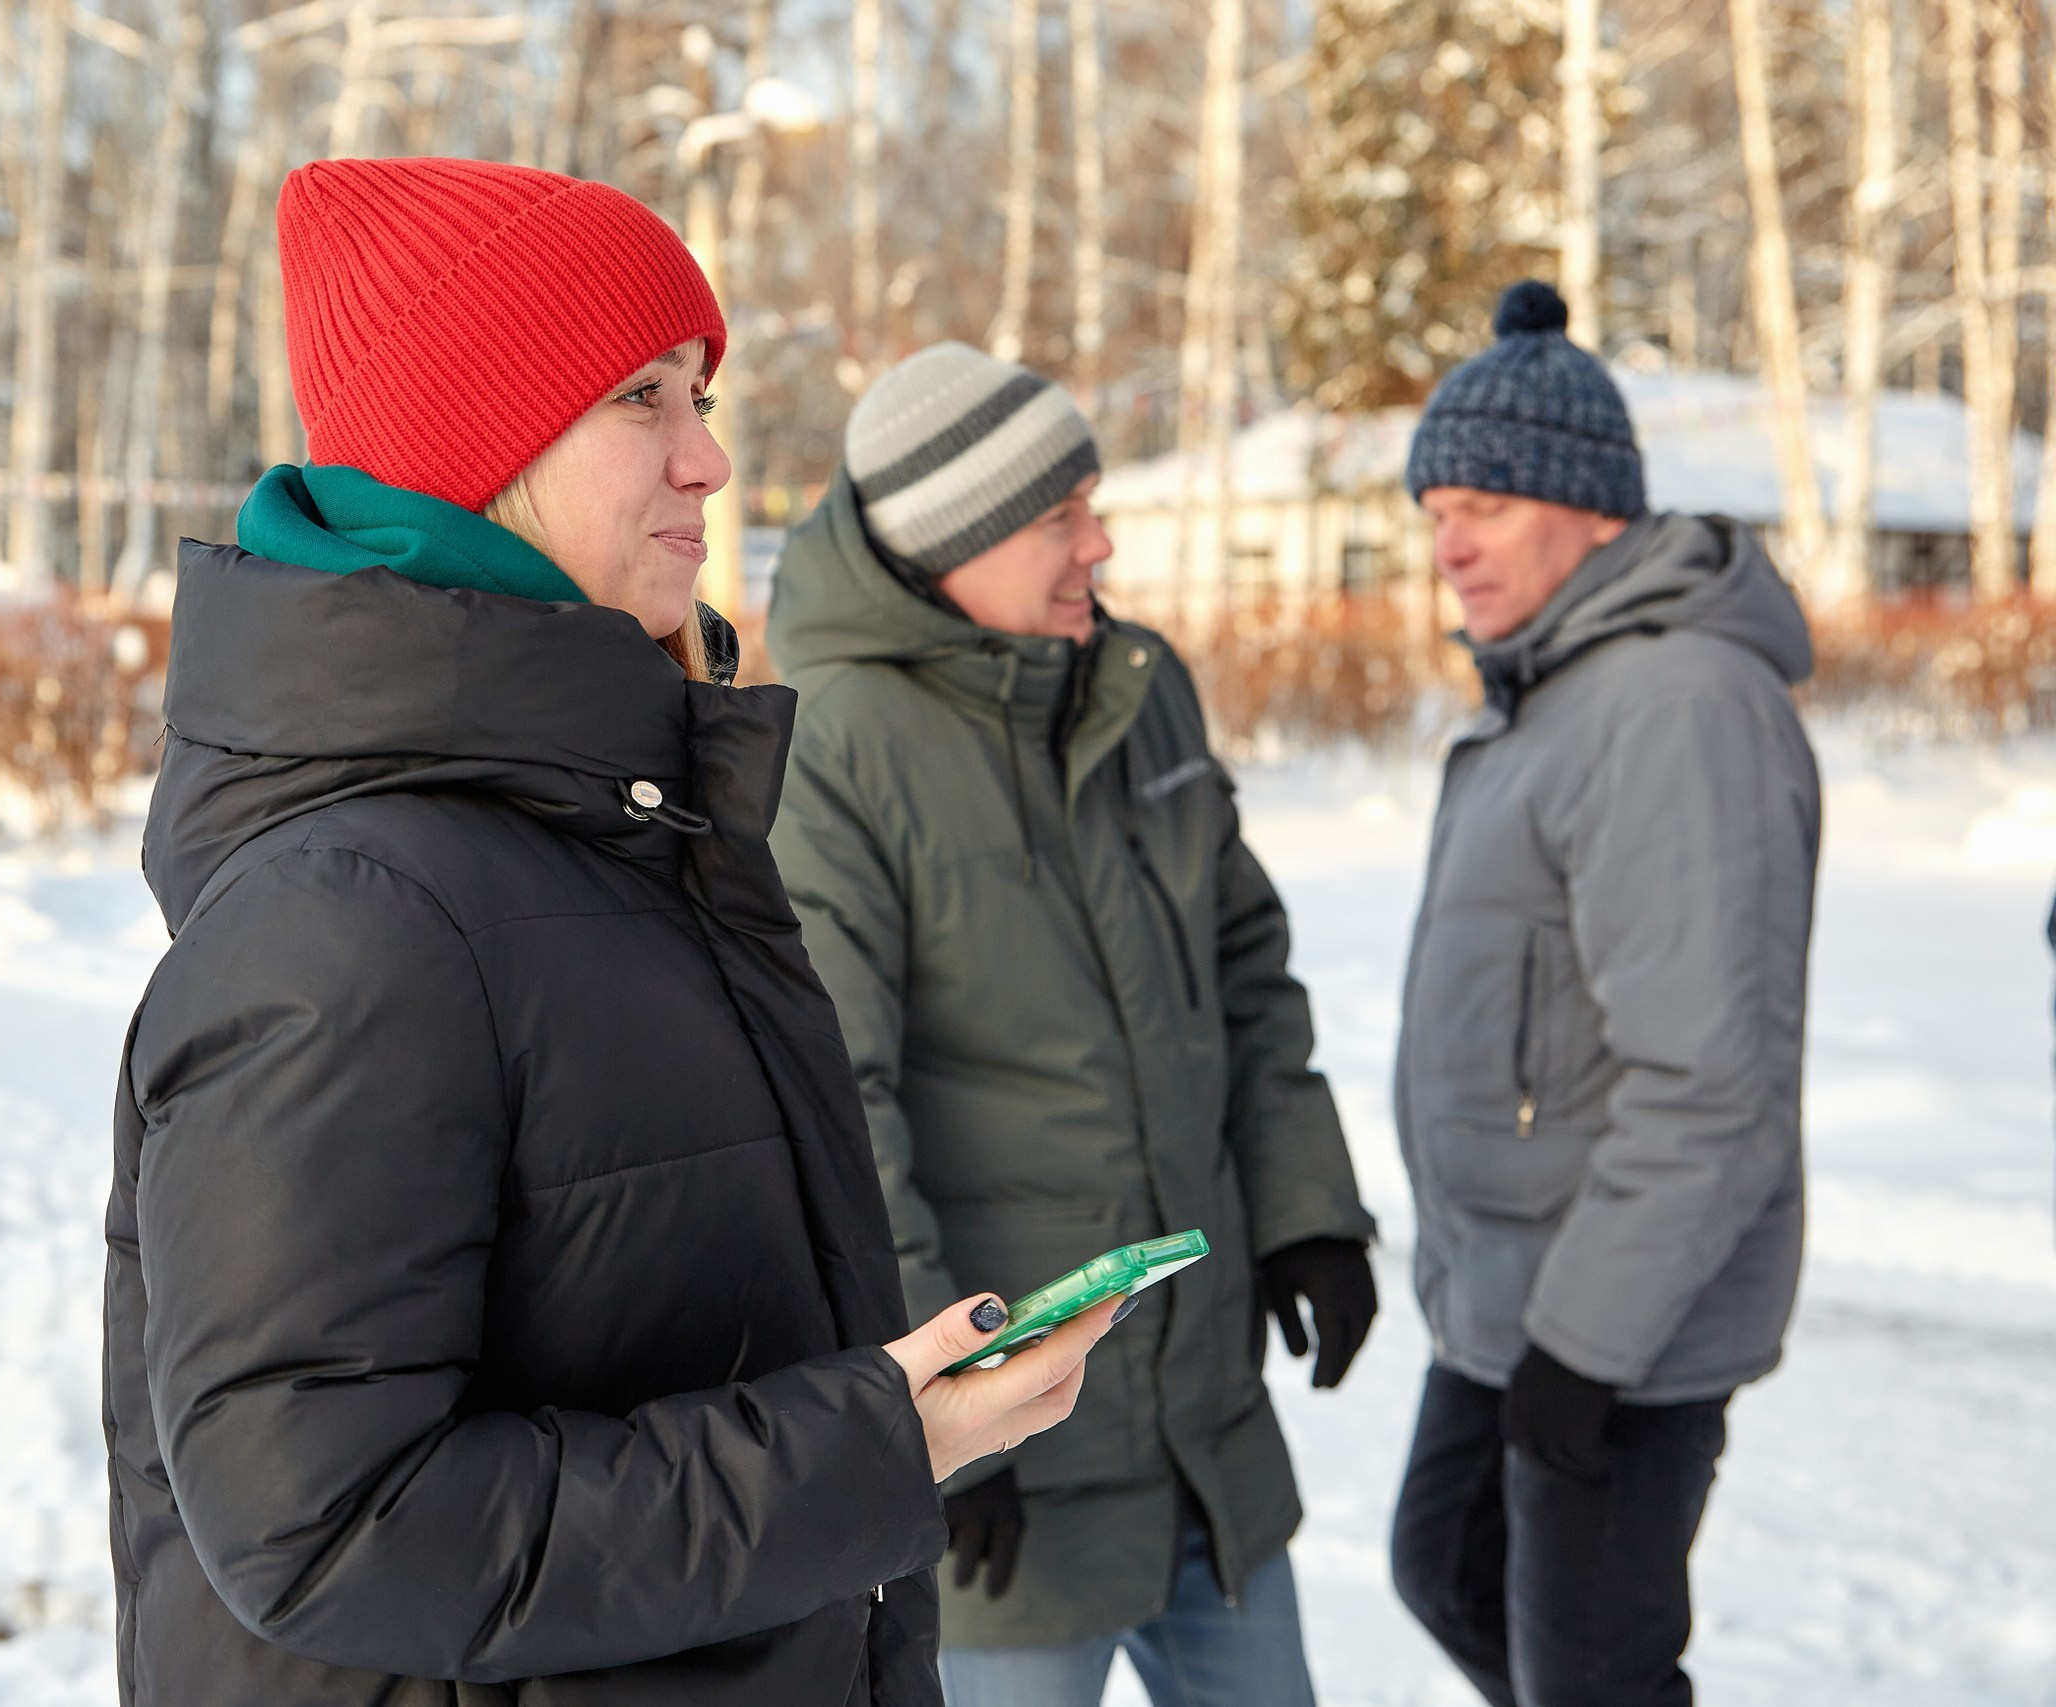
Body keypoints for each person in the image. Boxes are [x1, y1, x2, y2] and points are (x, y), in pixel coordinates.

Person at [102, 158, 1124, 1707]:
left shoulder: (620, 821)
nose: (709, 460)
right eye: (643, 399)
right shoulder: (354, 916)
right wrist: (872, 1451)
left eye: (699, 394)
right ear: (481, 447)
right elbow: (327, 1528)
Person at [765, 341, 1380, 1707]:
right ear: (950, 543)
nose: (1098, 543)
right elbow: (835, 1109)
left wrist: (1307, 1211)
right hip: (1013, 1470)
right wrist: (937, 1424)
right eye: (1060, 517)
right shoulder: (838, 748)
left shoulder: (1139, 685)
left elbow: (1246, 968)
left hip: (1205, 1442)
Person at [1388, 280, 1821, 1707]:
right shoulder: (1553, 694)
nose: (1449, 544)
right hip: (1514, 1292)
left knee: (1595, 1678)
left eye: (1488, 506)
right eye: (1435, 507)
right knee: (1446, 1568)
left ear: (1589, 506)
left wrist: (1584, 1348)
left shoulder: (1675, 703)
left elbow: (1711, 1085)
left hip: (1615, 1317)